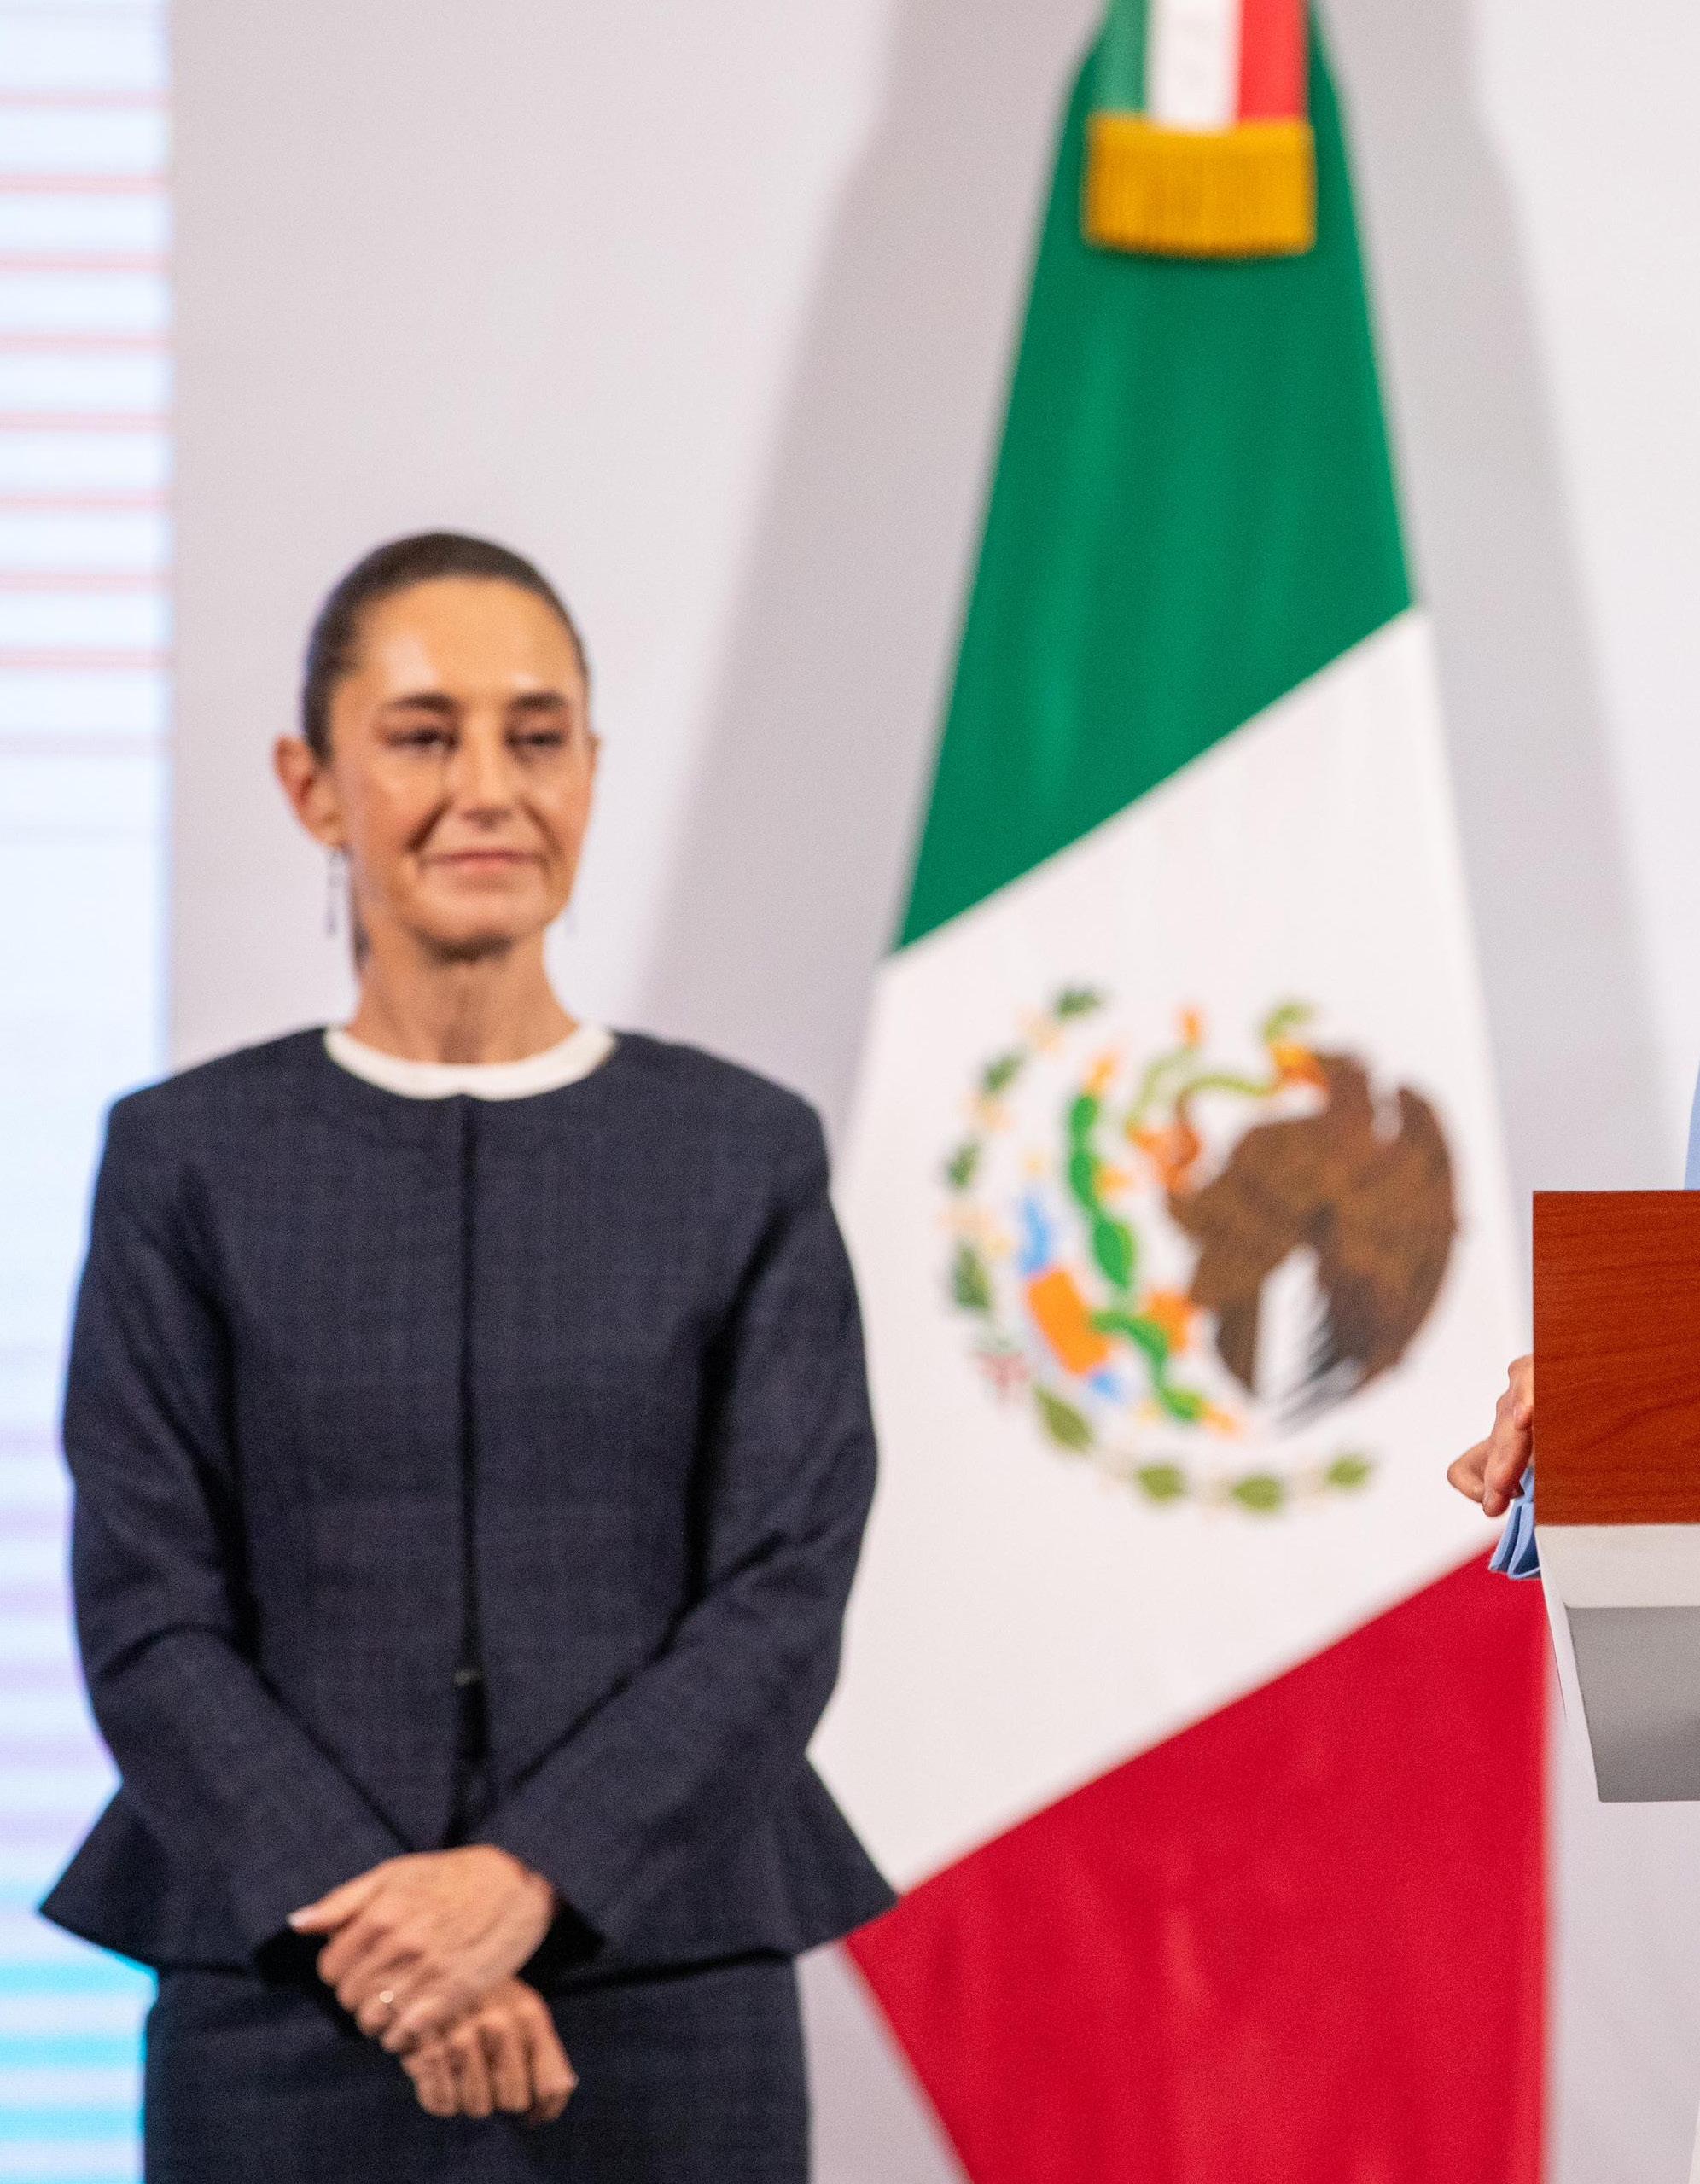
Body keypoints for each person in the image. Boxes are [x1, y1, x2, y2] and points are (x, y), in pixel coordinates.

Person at [39, 531, 896, 2181]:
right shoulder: (186, 1161)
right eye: (424, 736)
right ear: (312, 784)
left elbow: (784, 1591)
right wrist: (398, 1941)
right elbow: (148, 1609)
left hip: (664, 1993)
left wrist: (521, 1889)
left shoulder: (741, 1154)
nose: (488, 789)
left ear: (592, 772)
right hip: (286, 1997)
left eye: (537, 735)